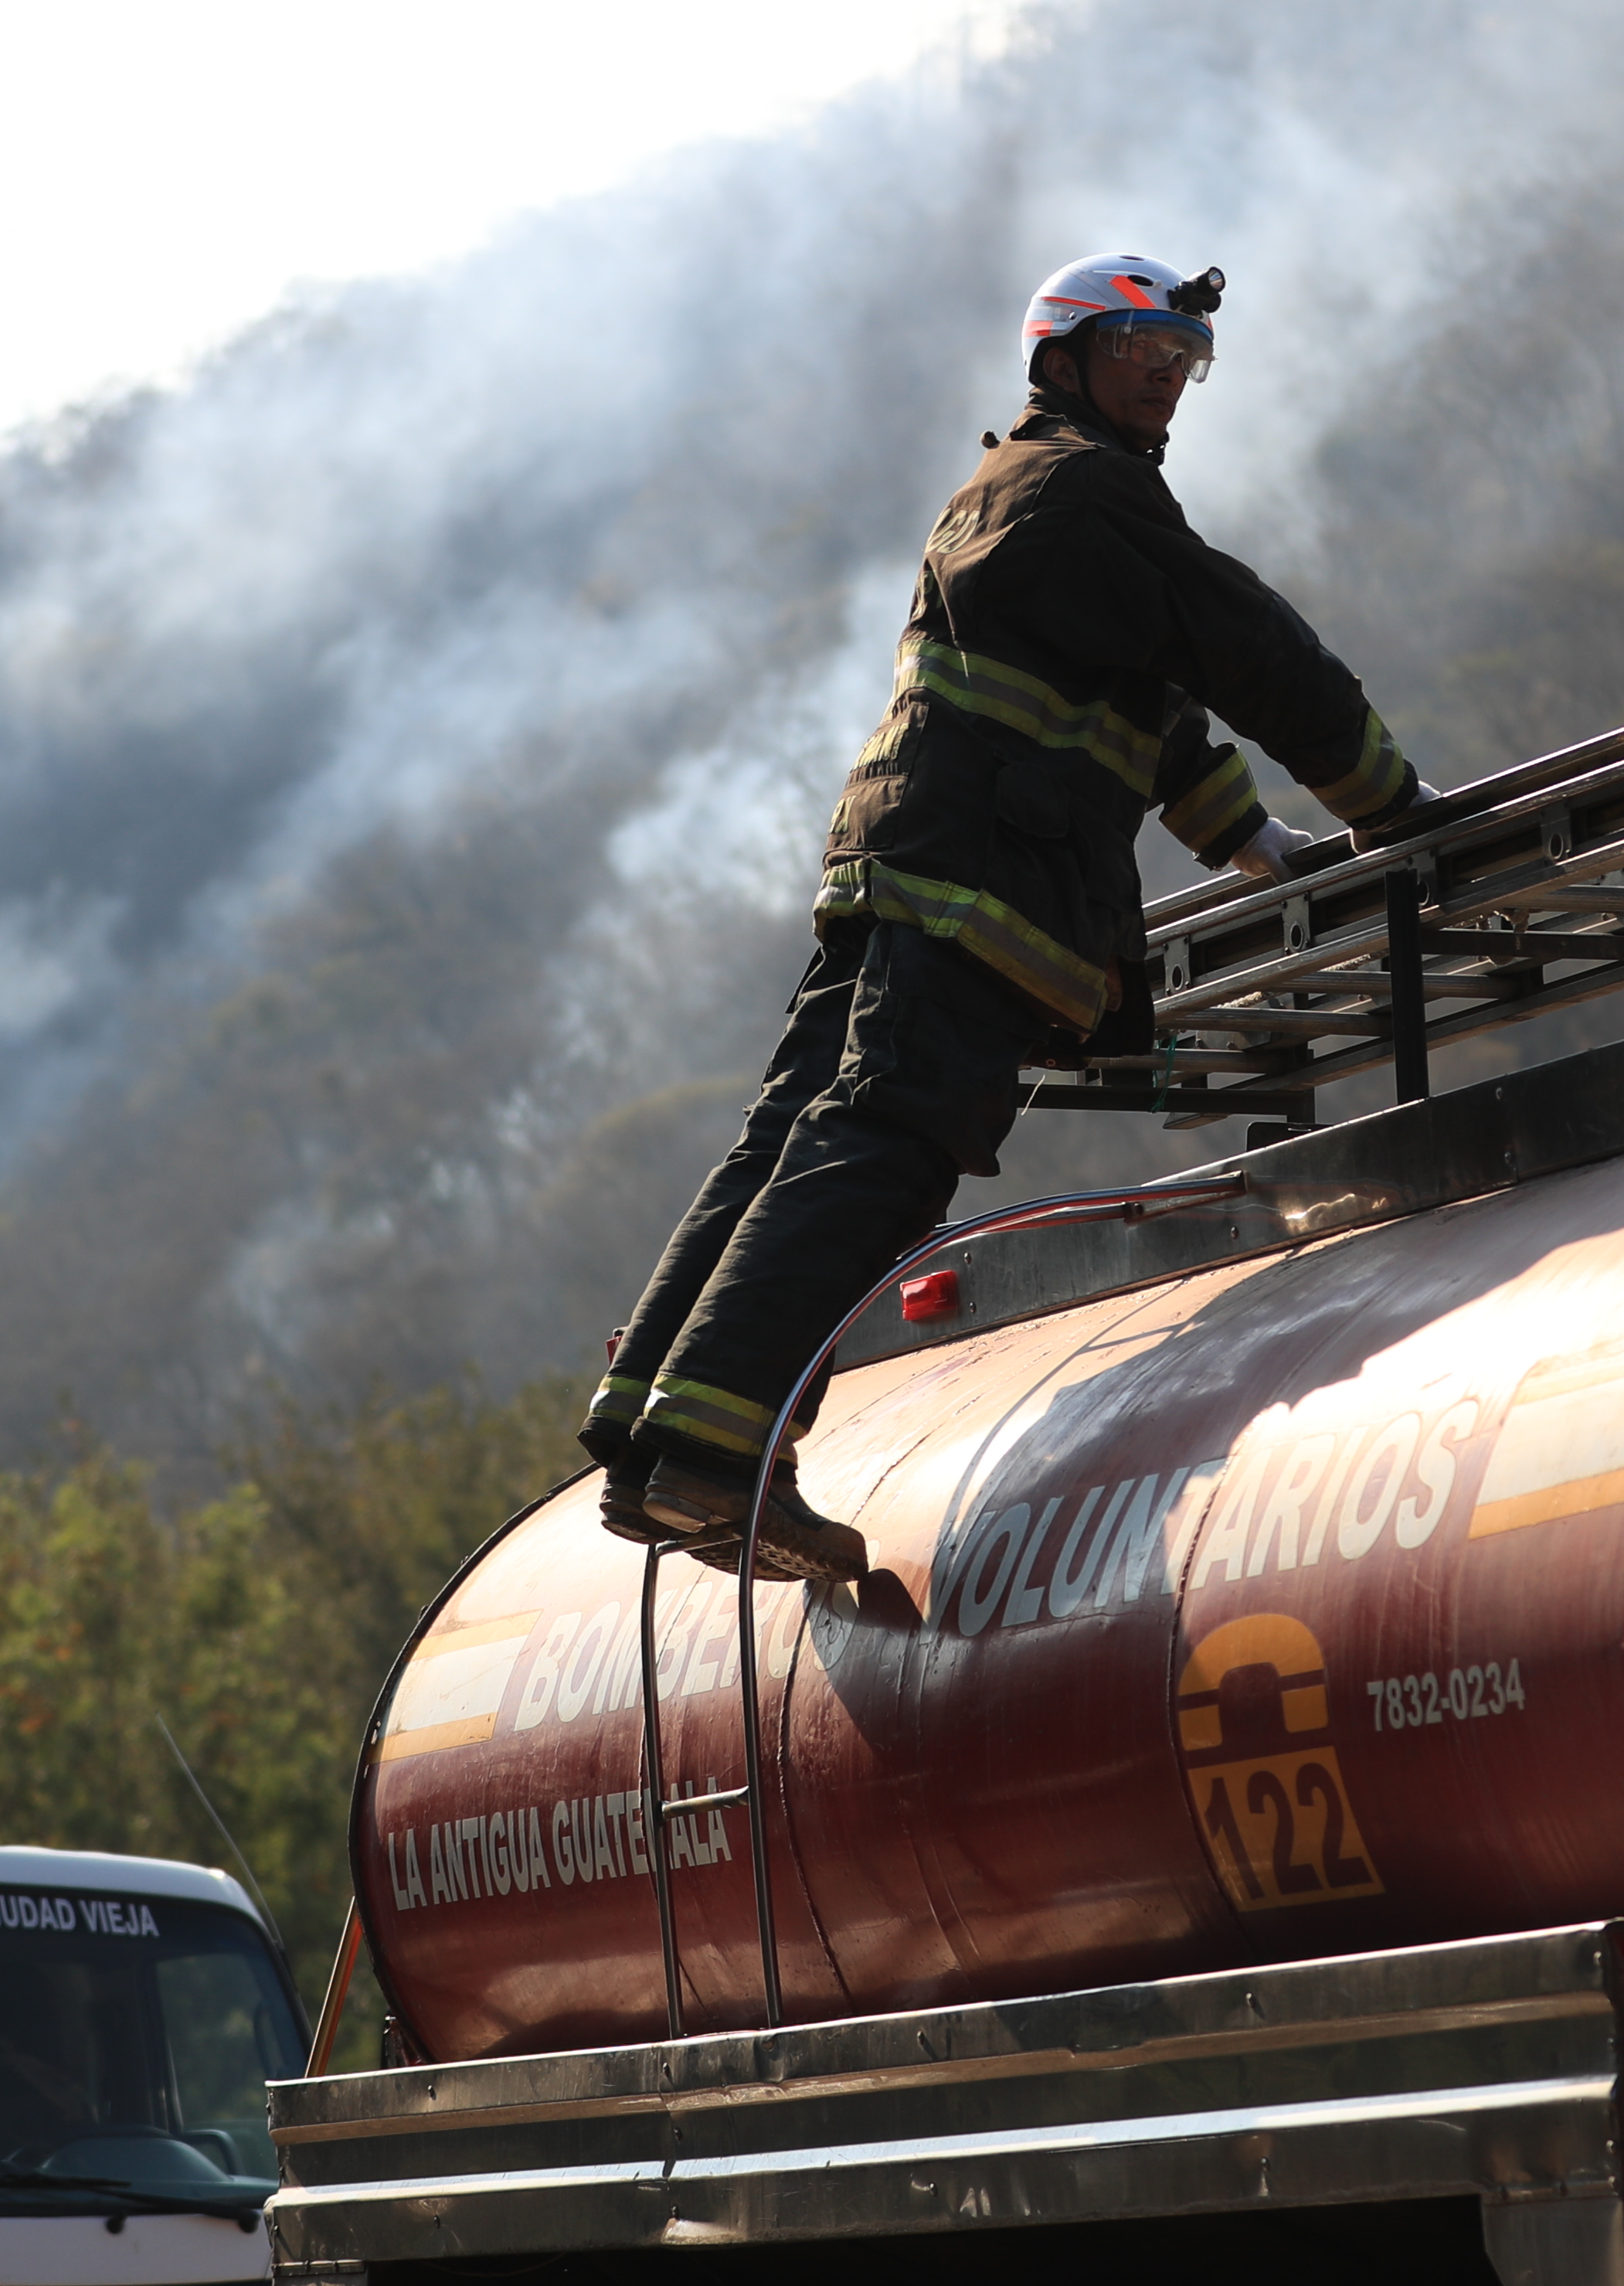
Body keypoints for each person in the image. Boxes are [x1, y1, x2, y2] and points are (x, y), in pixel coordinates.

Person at [579, 254, 1433, 1583]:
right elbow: (1243, 643)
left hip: (901, 868)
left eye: (1184, 360)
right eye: (1143, 347)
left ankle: (652, 1432)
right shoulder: (1085, 494)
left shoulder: (1018, 494)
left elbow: (1140, 700)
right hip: (980, 885)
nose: (1168, 376)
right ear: (1064, 360)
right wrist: (1387, 801)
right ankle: (720, 1455)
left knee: (801, 1128)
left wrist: (1248, 837)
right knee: (889, 1141)